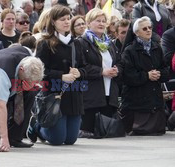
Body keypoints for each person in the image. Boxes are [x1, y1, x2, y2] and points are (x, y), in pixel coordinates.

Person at [27, 5, 87, 145]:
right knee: (57, 140)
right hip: (54, 95)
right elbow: (39, 71)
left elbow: (85, 67)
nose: (67, 22)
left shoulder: (77, 43)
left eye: (68, 18)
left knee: (71, 140)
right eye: (62, 19)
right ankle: (36, 127)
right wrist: (61, 76)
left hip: (74, 95)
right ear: (53, 22)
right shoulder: (45, 43)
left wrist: (80, 73)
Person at [121, 16, 169, 135]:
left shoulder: (157, 47)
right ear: (136, 32)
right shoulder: (129, 51)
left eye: (150, 27)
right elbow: (128, 76)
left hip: (155, 101)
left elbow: (165, 69)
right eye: (144, 28)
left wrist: (159, 74)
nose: (148, 30)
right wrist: (147, 75)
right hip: (137, 102)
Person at [78, 8, 121, 138]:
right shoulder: (81, 42)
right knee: (91, 133)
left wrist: (117, 69)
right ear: (89, 23)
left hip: (109, 93)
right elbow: (81, 66)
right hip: (92, 95)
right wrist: (102, 71)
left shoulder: (109, 43)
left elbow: (119, 61)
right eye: (98, 21)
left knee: (107, 133)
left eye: (104, 21)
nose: (102, 24)